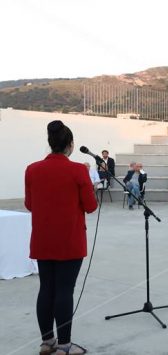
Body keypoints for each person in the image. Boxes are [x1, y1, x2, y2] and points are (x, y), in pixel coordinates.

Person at [25, 121, 97, 355]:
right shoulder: (78, 170)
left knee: (46, 288)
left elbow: (29, 204)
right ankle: (65, 345)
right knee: (65, 290)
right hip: (70, 240)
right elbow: (90, 206)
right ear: (71, 145)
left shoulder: (32, 169)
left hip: (43, 239)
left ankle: (47, 342)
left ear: (50, 143)